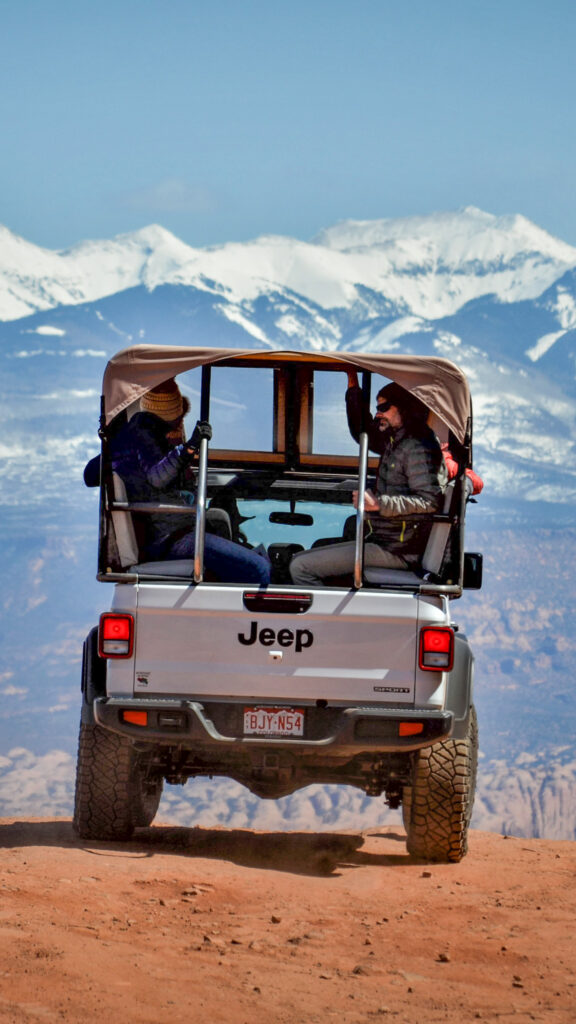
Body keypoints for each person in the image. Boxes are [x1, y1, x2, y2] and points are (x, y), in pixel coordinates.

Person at [85, 379, 270, 585]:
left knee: (234, 544)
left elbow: (89, 475)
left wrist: (113, 449)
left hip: (170, 534)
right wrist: (189, 448)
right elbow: (157, 477)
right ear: (174, 417)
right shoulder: (144, 435)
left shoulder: (132, 436)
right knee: (258, 568)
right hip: (171, 538)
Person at [289, 372, 447, 586]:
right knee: (303, 556)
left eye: (384, 408)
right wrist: (352, 381)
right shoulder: (396, 441)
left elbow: (431, 501)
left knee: (300, 568)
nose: (378, 414)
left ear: (404, 408)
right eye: (377, 407)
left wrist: (378, 504)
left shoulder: (417, 446)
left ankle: (324, 620)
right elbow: (361, 430)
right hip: (385, 541)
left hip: (399, 551)